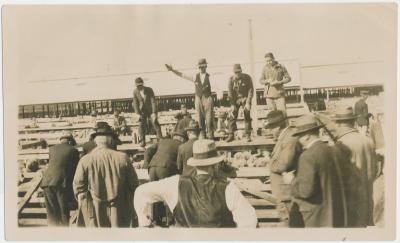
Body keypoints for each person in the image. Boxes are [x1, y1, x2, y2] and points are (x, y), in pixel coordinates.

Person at [134, 139, 258, 228]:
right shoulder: (227, 187)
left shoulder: (175, 183)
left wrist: (144, 222)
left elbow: (140, 192)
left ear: (194, 164)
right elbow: (249, 221)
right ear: (215, 165)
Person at [285, 114, 347, 227]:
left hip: (316, 217)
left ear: (307, 136)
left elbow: (305, 191)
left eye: (299, 136)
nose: (298, 140)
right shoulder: (334, 150)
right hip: (336, 214)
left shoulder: (307, 156)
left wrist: (292, 181)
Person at [73, 124, 139, 227]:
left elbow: (78, 187)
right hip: (119, 208)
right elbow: (133, 184)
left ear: (95, 142)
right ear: (111, 141)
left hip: (94, 209)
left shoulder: (85, 159)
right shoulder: (123, 158)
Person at [331, 106, 377, 226]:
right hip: (367, 196)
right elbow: (375, 170)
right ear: (353, 121)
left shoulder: (341, 144)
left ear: (338, 124)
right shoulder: (368, 140)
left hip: (350, 201)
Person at [264, 110, 302, 225]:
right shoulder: (285, 137)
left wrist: (269, 162)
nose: (270, 131)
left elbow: (283, 164)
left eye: (272, 127)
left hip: (286, 194)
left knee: (289, 225)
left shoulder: (289, 138)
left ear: (278, 126)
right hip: (283, 194)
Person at [165, 58, 214, 139]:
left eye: (203, 66)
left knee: (209, 120)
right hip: (198, 98)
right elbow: (182, 75)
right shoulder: (195, 76)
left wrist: (220, 93)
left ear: (206, 66)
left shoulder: (210, 76)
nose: (201, 68)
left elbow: (217, 86)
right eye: (200, 67)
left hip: (207, 98)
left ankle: (211, 137)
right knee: (200, 120)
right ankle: (203, 137)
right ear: (198, 67)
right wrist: (172, 70)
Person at [40, 131, 80, 226]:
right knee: (63, 212)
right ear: (70, 141)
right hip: (61, 183)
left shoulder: (52, 149)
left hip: (47, 182)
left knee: (51, 213)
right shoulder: (73, 150)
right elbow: (76, 169)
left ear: (61, 140)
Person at [226, 64, 254, 143]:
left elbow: (250, 91)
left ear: (241, 71)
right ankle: (231, 135)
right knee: (232, 115)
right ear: (233, 73)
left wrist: (248, 102)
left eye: (239, 72)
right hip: (235, 100)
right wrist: (232, 105)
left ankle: (248, 135)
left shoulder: (247, 78)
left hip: (245, 98)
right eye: (236, 72)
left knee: (247, 114)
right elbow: (230, 93)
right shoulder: (231, 80)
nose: (237, 74)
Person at [132, 77, 162, 147]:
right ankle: (142, 141)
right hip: (142, 111)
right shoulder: (135, 91)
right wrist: (137, 113)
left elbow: (153, 101)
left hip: (151, 110)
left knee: (155, 123)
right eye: (138, 86)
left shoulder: (149, 90)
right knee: (141, 125)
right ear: (136, 85)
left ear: (143, 84)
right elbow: (135, 103)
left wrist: (154, 113)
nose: (139, 87)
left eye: (140, 85)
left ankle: (160, 139)